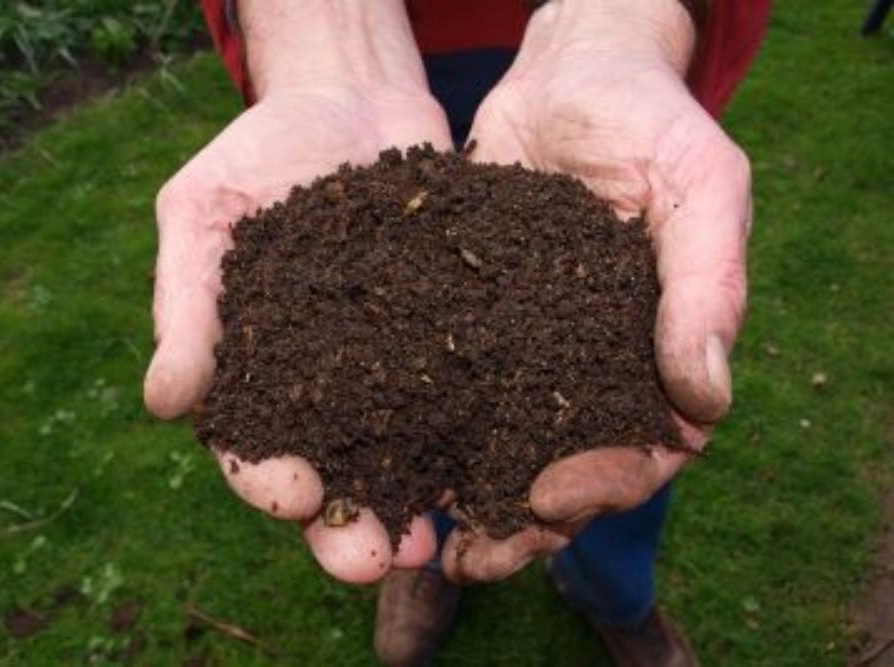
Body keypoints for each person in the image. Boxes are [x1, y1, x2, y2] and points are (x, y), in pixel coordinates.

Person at [144, 1, 771, 665]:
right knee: (417, 451)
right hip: (403, 41)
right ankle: (422, 549)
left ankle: (616, 598)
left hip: (617, 54)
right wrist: (324, 32)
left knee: (623, 429)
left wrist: (624, 23)